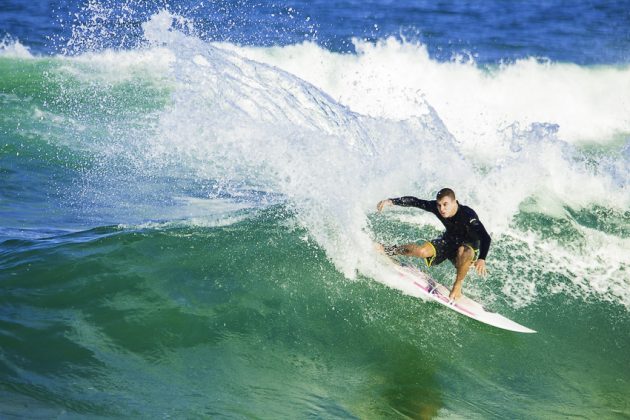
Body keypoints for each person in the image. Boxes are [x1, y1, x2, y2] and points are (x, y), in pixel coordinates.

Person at [376, 188, 491, 301]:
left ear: (455, 201)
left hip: (468, 247)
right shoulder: (438, 208)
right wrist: (391, 201)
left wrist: (482, 258)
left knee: (463, 251)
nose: (442, 209)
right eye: (439, 205)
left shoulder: (468, 215)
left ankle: (457, 286)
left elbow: (486, 237)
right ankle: (388, 250)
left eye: (445, 204)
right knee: (421, 251)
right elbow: (416, 202)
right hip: (449, 241)